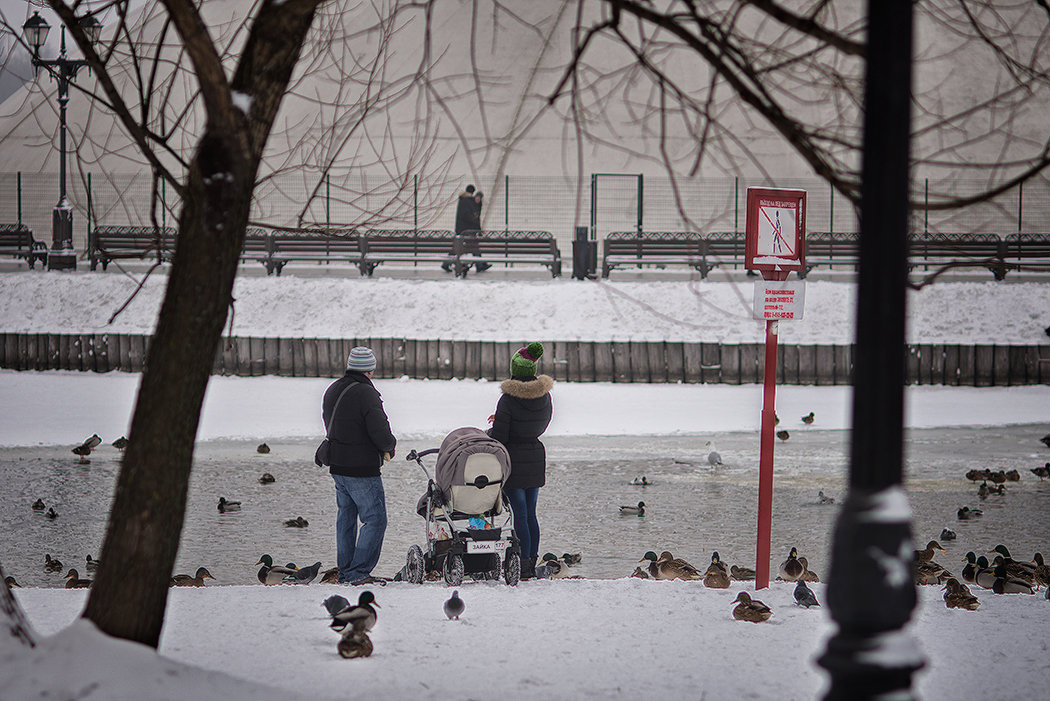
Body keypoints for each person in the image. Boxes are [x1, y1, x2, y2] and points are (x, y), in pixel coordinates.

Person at [321, 346, 397, 585]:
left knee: (346, 518)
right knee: (375, 519)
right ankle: (358, 573)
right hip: (362, 469)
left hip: (338, 467)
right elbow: (380, 432)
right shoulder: (366, 393)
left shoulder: (333, 389)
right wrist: (389, 445)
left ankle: (346, 572)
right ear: (370, 369)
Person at [488, 342, 553, 579]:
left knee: (519, 514)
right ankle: (531, 560)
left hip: (513, 460)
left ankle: (522, 565)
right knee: (531, 514)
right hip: (535, 455)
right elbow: (540, 423)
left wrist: (491, 431)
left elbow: (501, 437)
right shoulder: (544, 396)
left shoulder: (508, 399)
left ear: (515, 369)